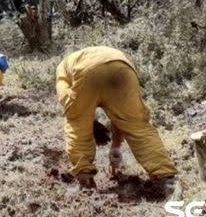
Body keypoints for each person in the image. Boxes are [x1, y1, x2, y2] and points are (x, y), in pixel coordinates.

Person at [55, 46, 177, 192]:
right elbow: (120, 117)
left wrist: (89, 122)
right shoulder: (85, 57)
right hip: (122, 68)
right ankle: (167, 178)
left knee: (77, 123)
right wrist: (116, 145)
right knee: (137, 125)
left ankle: (85, 177)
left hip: (87, 72)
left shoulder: (62, 70)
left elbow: (71, 106)